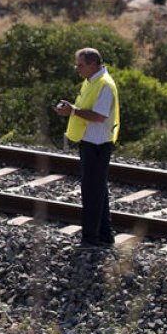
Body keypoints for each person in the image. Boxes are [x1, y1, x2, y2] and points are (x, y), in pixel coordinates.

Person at [54, 47, 120, 248]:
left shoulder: (104, 85)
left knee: (92, 192)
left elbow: (99, 116)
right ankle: (105, 236)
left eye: (81, 65)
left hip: (98, 144)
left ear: (93, 64)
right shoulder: (92, 81)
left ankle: (91, 238)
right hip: (90, 142)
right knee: (97, 190)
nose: (77, 69)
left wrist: (72, 111)